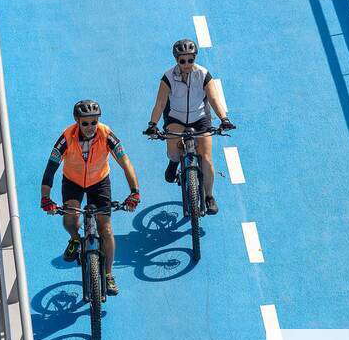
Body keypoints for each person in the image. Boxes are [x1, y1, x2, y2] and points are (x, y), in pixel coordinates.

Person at [41, 100, 140, 296]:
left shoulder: (106, 134)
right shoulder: (66, 137)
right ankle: (75, 239)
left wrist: (134, 191)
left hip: (99, 181)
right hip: (73, 181)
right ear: (77, 121)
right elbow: (50, 168)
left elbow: (124, 161)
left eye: (93, 122)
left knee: (107, 229)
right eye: (85, 123)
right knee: (70, 219)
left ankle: (109, 275)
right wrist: (46, 198)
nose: (90, 127)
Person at [143, 38, 235, 216]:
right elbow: (160, 103)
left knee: (206, 157)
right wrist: (152, 125)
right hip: (175, 117)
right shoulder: (168, 77)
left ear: (195, 58)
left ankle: (209, 196)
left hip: (199, 117)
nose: (186, 64)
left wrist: (224, 119)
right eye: (182, 60)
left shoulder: (203, 74)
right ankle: (174, 162)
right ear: (176, 60)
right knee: (173, 152)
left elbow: (214, 99)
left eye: (190, 60)